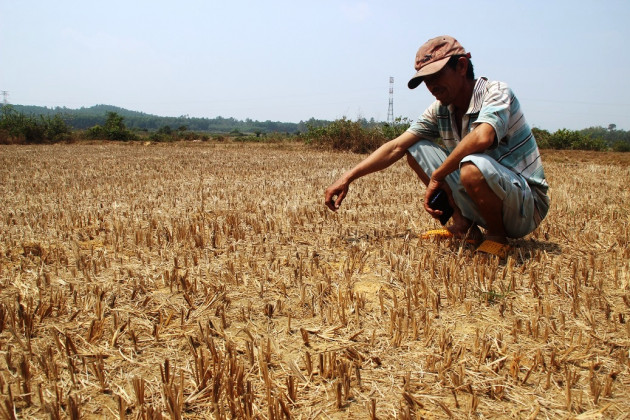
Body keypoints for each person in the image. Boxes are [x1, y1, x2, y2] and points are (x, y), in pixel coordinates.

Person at [324, 35, 549, 258]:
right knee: (415, 149)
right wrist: (348, 177)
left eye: (436, 75)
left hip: (525, 205)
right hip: (487, 190)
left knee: (471, 167)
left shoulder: (496, 92)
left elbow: (483, 136)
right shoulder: (441, 109)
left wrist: (438, 176)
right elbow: (396, 146)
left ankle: (496, 236)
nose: (430, 86)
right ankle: (464, 226)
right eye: (425, 80)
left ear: (461, 66)